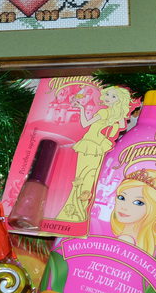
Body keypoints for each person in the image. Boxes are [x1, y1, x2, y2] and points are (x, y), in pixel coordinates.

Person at [56, 86, 132, 221]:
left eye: (113, 96)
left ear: (119, 100)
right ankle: (79, 213)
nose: (108, 98)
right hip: (98, 147)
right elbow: (120, 126)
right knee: (88, 178)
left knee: (81, 178)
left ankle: (72, 213)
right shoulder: (117, 116)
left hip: (90, 146)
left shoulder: (104, 112)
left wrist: (82, 109)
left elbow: (85, 124)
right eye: (108, 94)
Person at [110, 168, 156, 256]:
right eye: (121, 197)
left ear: (153, 210)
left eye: (138, 202)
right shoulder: (142, 241)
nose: (124, 207)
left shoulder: (126, 239)